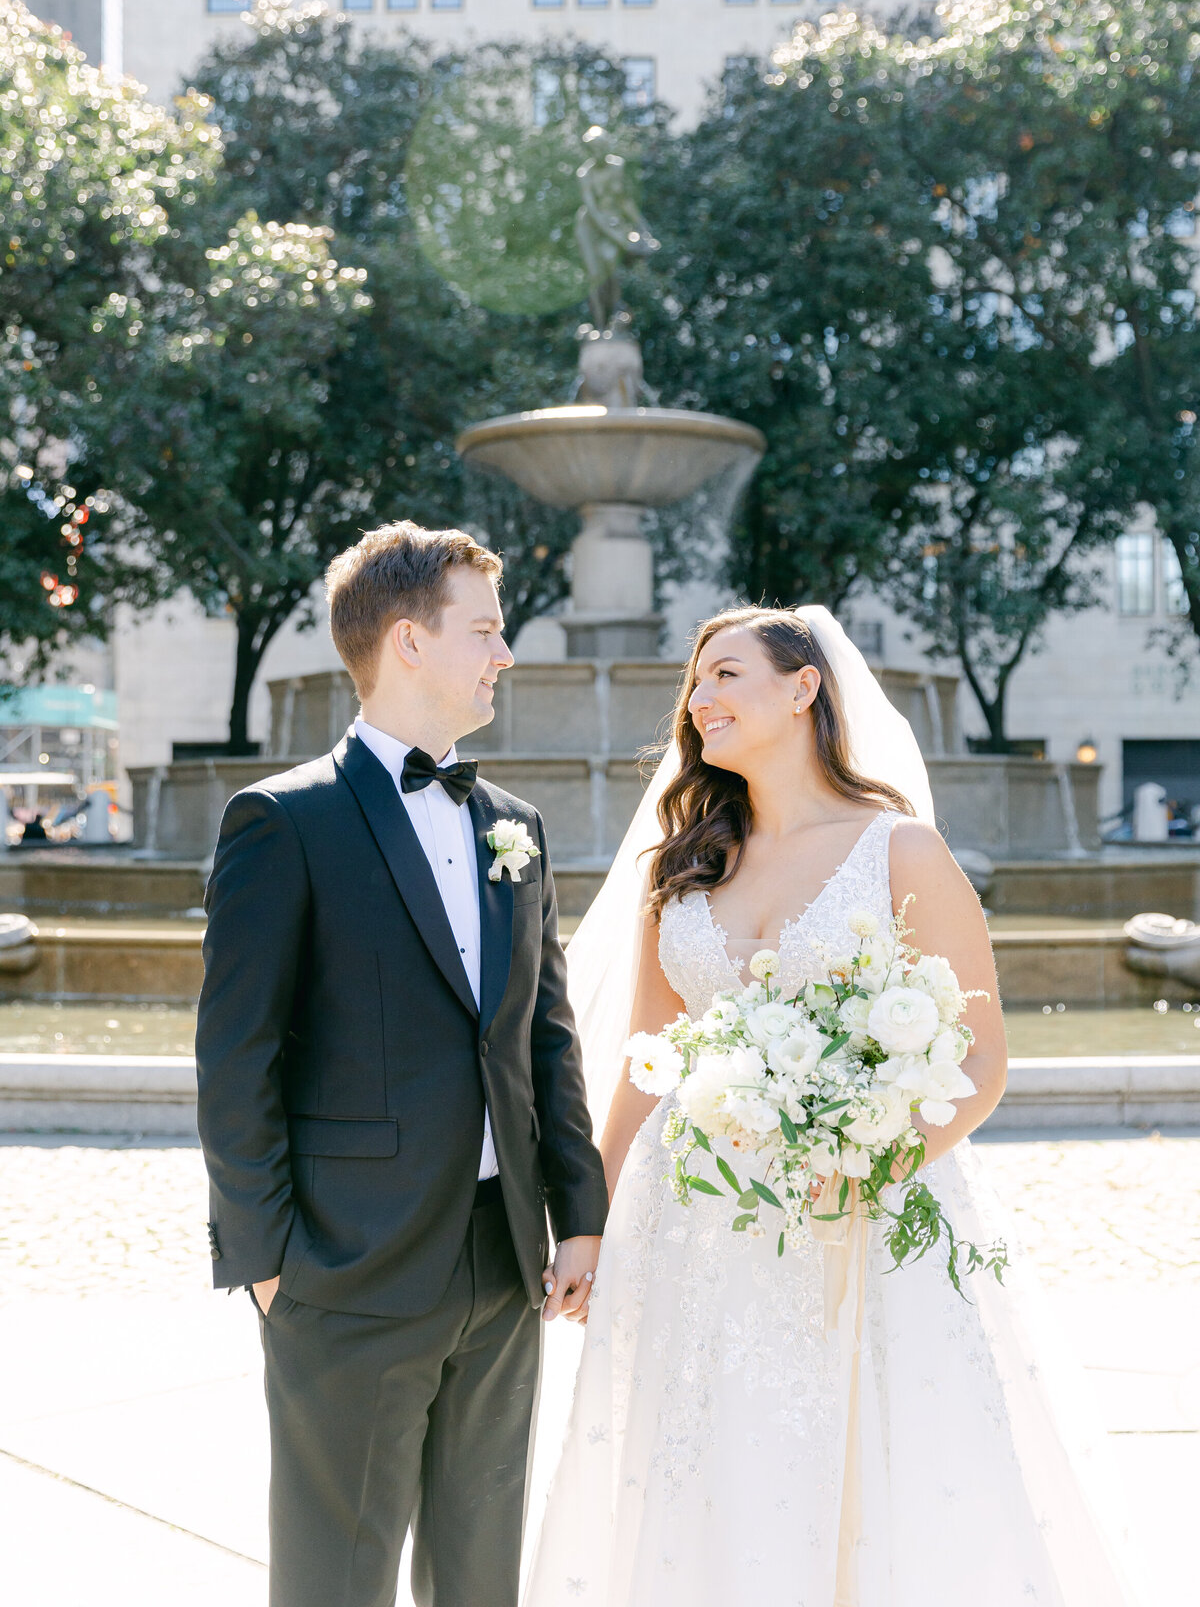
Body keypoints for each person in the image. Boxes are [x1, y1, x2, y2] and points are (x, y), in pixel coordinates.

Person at [524, 605, 1134, 1607]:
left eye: (725, 674)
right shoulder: (680, 869)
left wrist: (872, 1166)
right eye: (694, 684)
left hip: (860, 1217)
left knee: (863, 1475)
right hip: (695, 1221)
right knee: (705, 1469)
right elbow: (646, 1067)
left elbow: (980, 1061)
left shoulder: (900, 853)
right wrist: (586, 1227)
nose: (699, 699)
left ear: (803, 687)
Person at [195, 521, 608, 1607]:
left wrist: (581, 1215)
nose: (504, 653)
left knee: (481, 1579)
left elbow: (544, 1036)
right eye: (486, 629)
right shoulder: (282, 821)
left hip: (505, 1261)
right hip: (347, 1269)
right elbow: (237, 1062)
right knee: (336, 1579)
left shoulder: (513, 823)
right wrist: (269, 1264)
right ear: (409, 642)